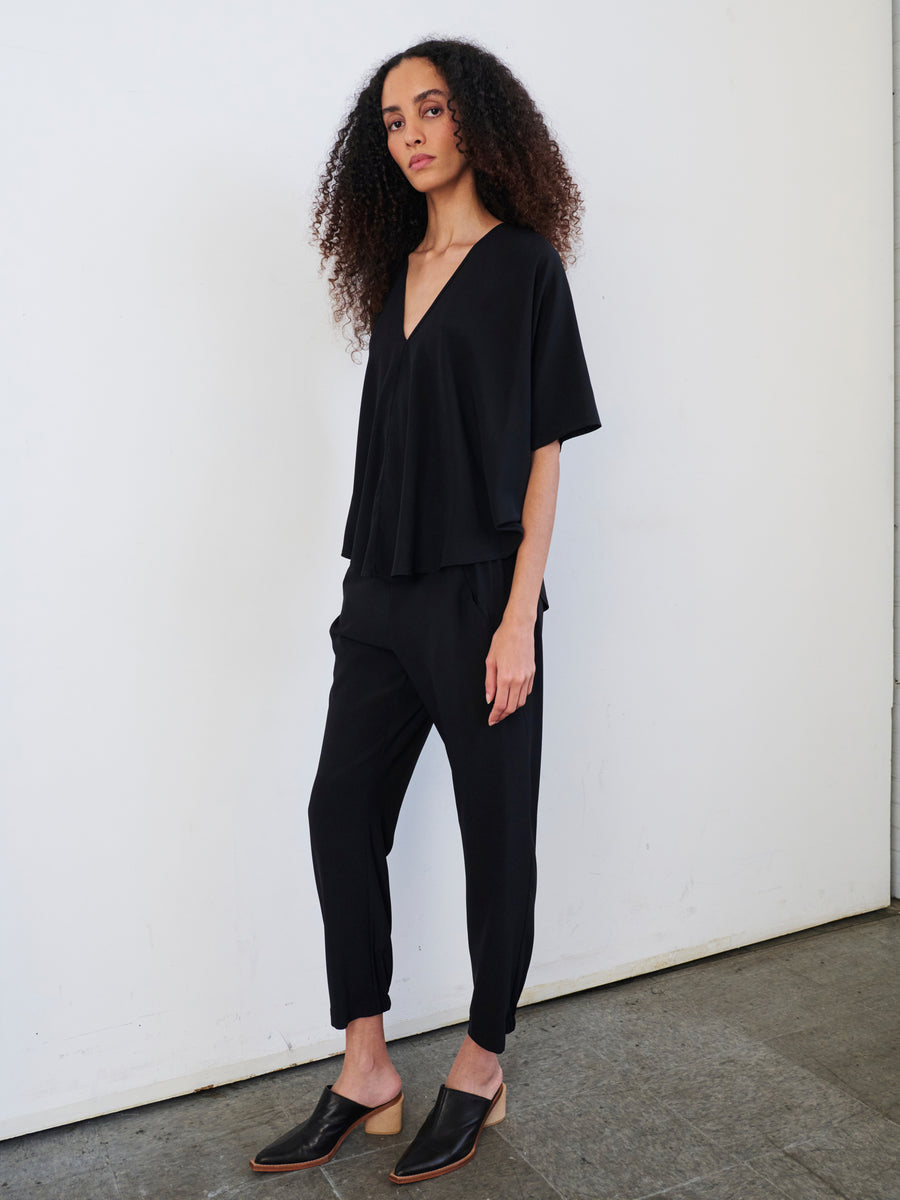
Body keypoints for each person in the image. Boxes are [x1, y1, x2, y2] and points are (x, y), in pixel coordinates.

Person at [250, 37, 600, 1185]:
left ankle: (483, 1057)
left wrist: (517, 619)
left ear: (477, 123)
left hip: (478, 596)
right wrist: (363, 601)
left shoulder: (525, 268)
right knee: (337, 812)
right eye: (393, 119)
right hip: (384, 596)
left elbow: (546, 453)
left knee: (499, 840)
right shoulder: (397, 269)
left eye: (431, 110)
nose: (410, 134)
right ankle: (367, 1068)